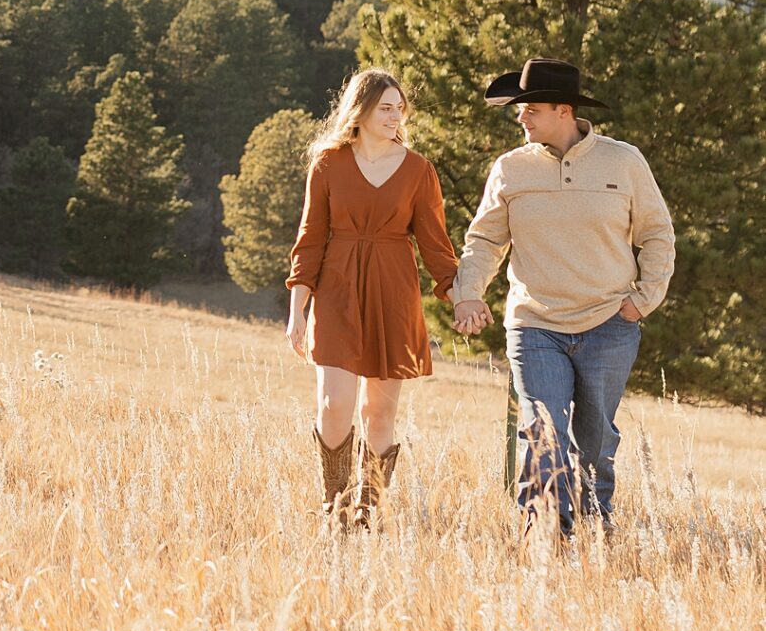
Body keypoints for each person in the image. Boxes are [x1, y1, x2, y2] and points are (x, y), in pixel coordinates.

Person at [450, 58, 675, 536]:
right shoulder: (510, 168)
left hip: (609, 324)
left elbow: (657, 234)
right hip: (535, 324)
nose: (520, 117)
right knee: (541, 432)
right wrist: (468, 293)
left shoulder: (623, 161)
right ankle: (546, 536)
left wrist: (642, 300)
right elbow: (485, 241)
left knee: (595, 441)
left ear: (564, 110)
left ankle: (595, 530)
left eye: (530, 109)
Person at [287, 68, 459, 528]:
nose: (395, 114)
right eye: (385, 106)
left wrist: (459, 297)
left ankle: (369, 509)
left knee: (379, 410)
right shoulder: (327, 164)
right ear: (359, 111)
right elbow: (309, 240)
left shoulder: (419, 170)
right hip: (337, 290)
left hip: (393, 292)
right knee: (334, 404)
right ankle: (336, 507)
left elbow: (436, 246)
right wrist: (297, 310)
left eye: (400, 107)